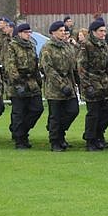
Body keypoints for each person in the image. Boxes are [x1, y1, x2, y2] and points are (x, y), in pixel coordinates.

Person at [77, 18, 108, 151]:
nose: (103, 33)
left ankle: (98, 134)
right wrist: (87, 86)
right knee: (93, 113)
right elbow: (81, 68)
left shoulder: (104, 45)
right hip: (91, 82)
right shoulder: (86, 45)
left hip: (104, 83)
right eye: (100, 31)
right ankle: (90, 139)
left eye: (104, 31)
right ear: (93, 31)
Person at [40, 20, 79, 151]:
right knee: (55, 115)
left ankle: (60, 133)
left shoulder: (67, 46)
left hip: (69, 85)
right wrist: (61, 85)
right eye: (60, 31)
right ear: (53, 32)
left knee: (73, 111)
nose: (63, 33)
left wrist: (76, 83)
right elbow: (48, 69)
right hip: (54, 88)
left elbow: (73, 66)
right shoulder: (47, 48)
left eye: (64, 31)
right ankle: (55, 140)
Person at [4, 23, 44, 149]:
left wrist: (38, 81)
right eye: (26, 32)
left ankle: (21, 131)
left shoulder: (31, 46)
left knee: (37, 109)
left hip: (31, 82)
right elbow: (11, 66)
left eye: (29, 32)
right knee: (19, 112)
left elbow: (35, 65)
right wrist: (17, 83)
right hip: (18, 83)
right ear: (19, 33)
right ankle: (20, 139)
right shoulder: (12, 47)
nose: (28, 34)